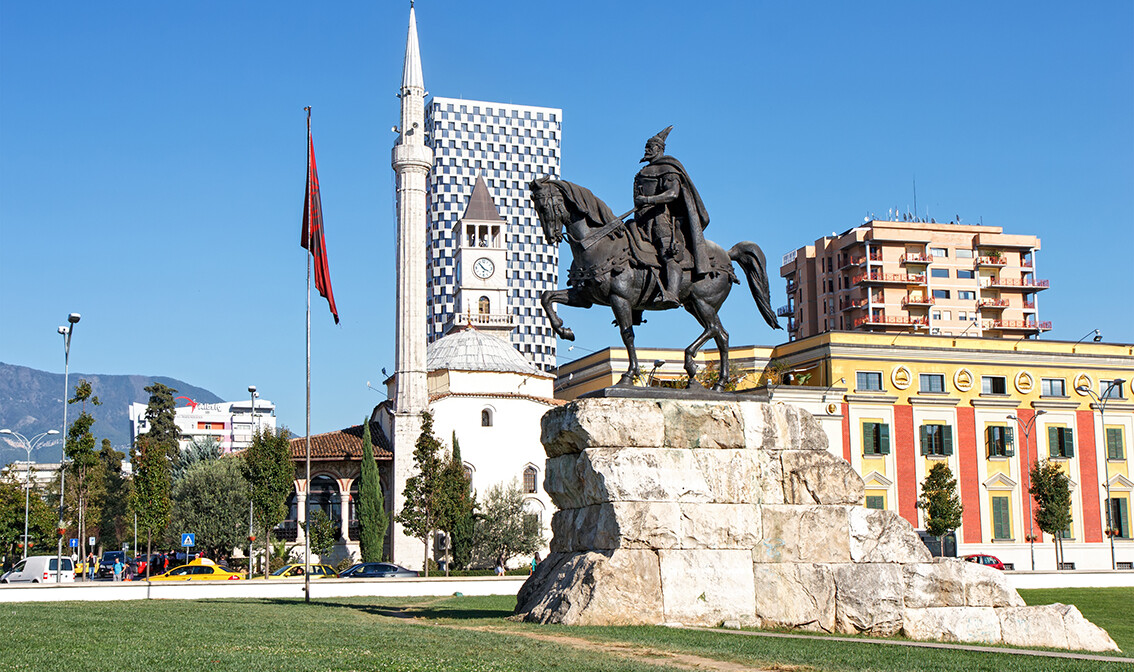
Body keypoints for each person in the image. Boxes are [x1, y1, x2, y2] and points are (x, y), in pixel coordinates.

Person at [632, 126, 711, 308]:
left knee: (668, 254)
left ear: (659, 149)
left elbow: (673, 194)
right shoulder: (642, 172)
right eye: (646, 146)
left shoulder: (668, 168)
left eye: (650, 146)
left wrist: (648, 199)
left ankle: (672, 293)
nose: (647, 149)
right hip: (641, 220)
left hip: (662, 220)